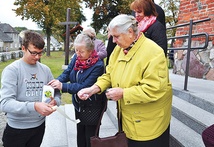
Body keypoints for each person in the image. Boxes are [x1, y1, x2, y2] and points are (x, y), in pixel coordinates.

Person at [77, 14, 172, 147]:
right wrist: (94, 88)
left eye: (116, 36)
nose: (114, 41)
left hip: (149, 123)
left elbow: (154, 88)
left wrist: (123, 93)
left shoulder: (154, 52)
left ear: (130, 32)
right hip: (129, 120)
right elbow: (109, 74)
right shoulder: (119, 50)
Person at [0, 30, 61, 147]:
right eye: (33, 53)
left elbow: (56, 93)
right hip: (17, 129)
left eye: (40, 53)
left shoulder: (46, 70)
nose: (37, 57)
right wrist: (34, 106)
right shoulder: (12, 70)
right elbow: (4, 103)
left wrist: (55, 102)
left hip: (39, 126)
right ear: (23, 48)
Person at [48, 33, 106, 147]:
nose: (78, 54)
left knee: (90, 137)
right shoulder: (76, 58)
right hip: (79, 104)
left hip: (92, 106)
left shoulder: (98, 65)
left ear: (90, 51)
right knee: (80, 132)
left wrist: (63, 86)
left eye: (81, 51)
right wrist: (56, 82)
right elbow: (68, 72)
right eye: (76, 50)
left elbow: (85, 86)